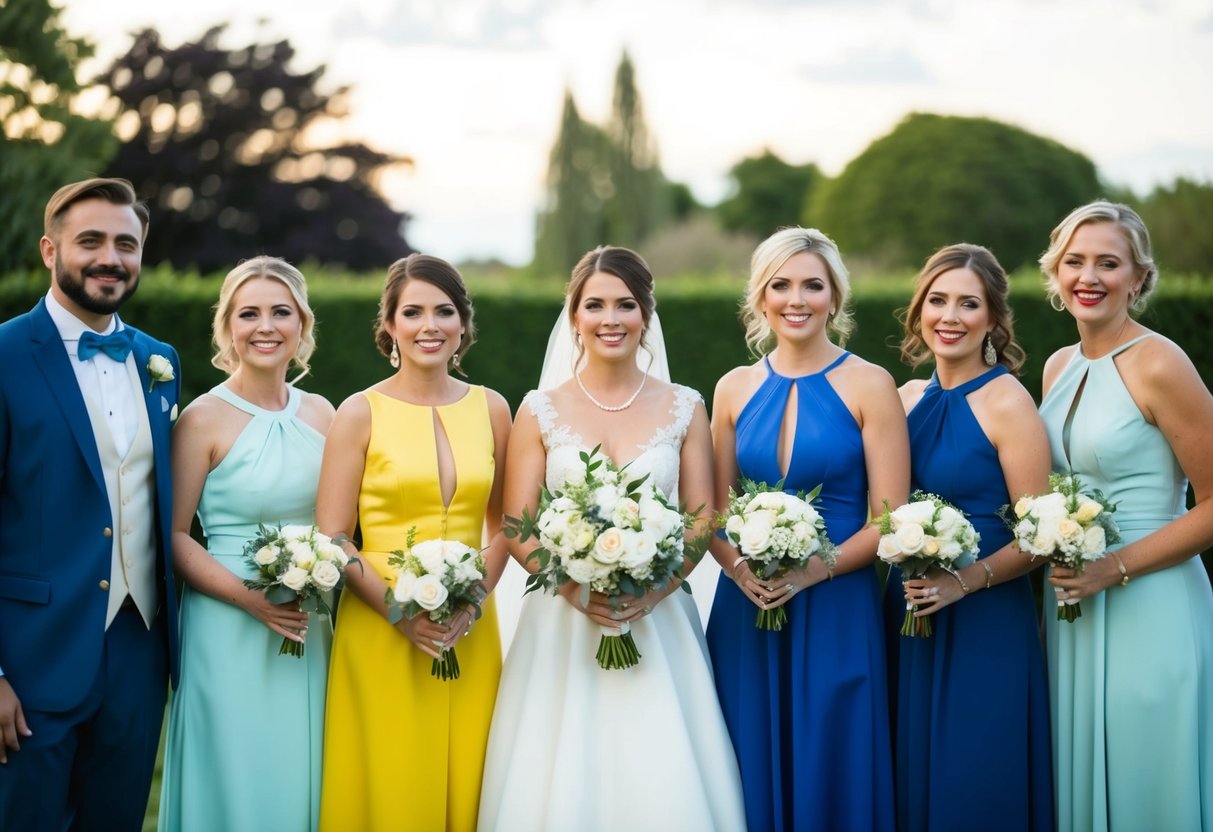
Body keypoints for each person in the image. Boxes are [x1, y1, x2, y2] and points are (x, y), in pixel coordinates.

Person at [477, 246, 746, 831]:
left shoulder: (685, 406)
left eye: (625, 304)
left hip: (659, 614)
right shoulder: (539, 410)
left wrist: (653, 590)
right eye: (594, 304)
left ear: (646, 315)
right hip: (564, 619)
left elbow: (700, 518)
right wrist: (574, 588)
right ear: (574, 316)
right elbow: (517, 522)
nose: (611, 318)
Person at [706, 227, 906, 832]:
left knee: (836, 754)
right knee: (746, 754)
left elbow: (890, 517)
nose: (797, 299)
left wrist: (811, 571)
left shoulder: (871, 384)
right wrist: (742, 570)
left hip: (838, 604)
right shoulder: (732, 389)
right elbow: (713, 513)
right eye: (781, 285)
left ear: (834, 298)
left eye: (812, 285)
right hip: (748, 605)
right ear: (760, 298)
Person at [0, 178, 181, 829]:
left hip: (139, 649)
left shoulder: (160, 361)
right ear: (51, 251)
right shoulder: (5, 354)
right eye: (91, 241)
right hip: (29, 657)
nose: (111, 257)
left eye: (125, 243)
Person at [316, 254, 511, 831]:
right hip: (381, 623)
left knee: (470, 777)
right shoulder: (358, 412)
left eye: (444, 311)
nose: (430, 325)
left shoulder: (493, 408)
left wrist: (474, 598)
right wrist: (399, 613)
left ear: (463, 326)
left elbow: (506, 524)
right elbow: (333, 535)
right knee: (392, 782)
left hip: (472, 626)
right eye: (413, 312)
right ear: (390, 326)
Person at [1038, 202, 1213, 832]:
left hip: (1151, 599)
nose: (1089, 276)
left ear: (1137, 278)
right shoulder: (1058, 366)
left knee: (1148, 779)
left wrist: (1112, 568)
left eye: (1108, 263)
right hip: (1072, 611)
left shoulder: (1161, 363)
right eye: (1074, 262)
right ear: (1055, 274)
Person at [157, 257, 335, 830]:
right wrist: (248, 597)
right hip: (226, 623)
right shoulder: (203, 418)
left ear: (302, 324)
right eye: (249, 313)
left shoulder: (325, 414)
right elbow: (177, 536)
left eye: (281, 312)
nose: (266, 326)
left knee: (300, 768)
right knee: (233, 767)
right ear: (227, 327)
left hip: (308, 622)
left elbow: (340, 528)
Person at [885, 243, 1053, 831]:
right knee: (914, 774)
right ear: (918, 311)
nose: (949, 316)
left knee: (976, 776)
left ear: (993, 319)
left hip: (984, 614)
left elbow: (1040, 535)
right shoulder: (903, 400)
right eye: (937, 300)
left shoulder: (1008, 402)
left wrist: (964, 582)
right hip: (908, 614)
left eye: (968, 303)